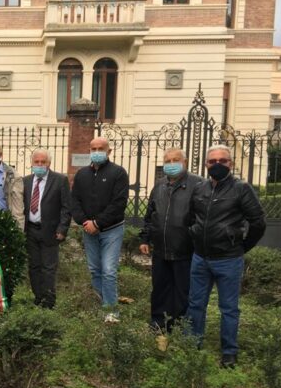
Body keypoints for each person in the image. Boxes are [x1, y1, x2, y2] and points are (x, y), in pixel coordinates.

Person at [185, 144, 266, 368]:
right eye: (213, 162)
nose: (217, 165)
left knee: (229, 308)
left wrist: (240, 246)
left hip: (228, 259)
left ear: (230, 164)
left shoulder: (242, 189)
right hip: (200, 258)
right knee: (195, 304)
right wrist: (194, 235)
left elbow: (258, 223)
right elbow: (192, 218)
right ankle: (192, 345)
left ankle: (229, 353)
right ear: (206, 164)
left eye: (222, 161)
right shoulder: (200, 188)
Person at [139, 147, 202, 332]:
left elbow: (201, 217)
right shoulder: (159, 185)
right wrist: (145, 238)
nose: (171, 164)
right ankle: (158, 324)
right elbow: (151, 214)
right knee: (160, 289)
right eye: (167, 161)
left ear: (185, 162)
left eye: (176, 160)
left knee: (182, 291)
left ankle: (179, 326)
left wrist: (193, 237)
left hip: (185, 250)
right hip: (160, 249)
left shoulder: (198, 184)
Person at [71, 137, 129, 323]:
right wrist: (84, 222)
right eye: (93, 148)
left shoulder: (118, 173)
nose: (96, 151)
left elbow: (118, 203)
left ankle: (111, 311)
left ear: (109, 151)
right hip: (88, 230)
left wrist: (98, 223)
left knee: (109, 270)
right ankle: (100, 306)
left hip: (111, 230)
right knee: (95, 270)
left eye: (100, 148)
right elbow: (75, 201)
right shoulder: (81, 175)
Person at [22, 149, 71, 309]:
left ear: (49, 163)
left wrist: (62, 229)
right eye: (37, 162)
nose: (40, 165)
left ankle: (49, 302)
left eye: (43, 162)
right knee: (34, 266)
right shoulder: (26, 181)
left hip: (51, 231)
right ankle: (38, 298)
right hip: (30, 230)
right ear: (32, 163)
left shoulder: (60, 180)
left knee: (49, 268)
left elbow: (66, 207)